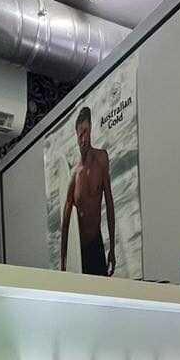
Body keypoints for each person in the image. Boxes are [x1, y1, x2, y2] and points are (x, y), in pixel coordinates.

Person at [59, 105, 116, 275]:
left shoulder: (102, 159)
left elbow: (110, 203)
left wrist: (112, 249)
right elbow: (65, 224)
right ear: (76, 136)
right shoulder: (74, 177)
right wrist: (63, 263)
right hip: (81, 251)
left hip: (96, 242)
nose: (83, 138)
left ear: (91, 131)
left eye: (86, 132)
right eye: (80, 134)